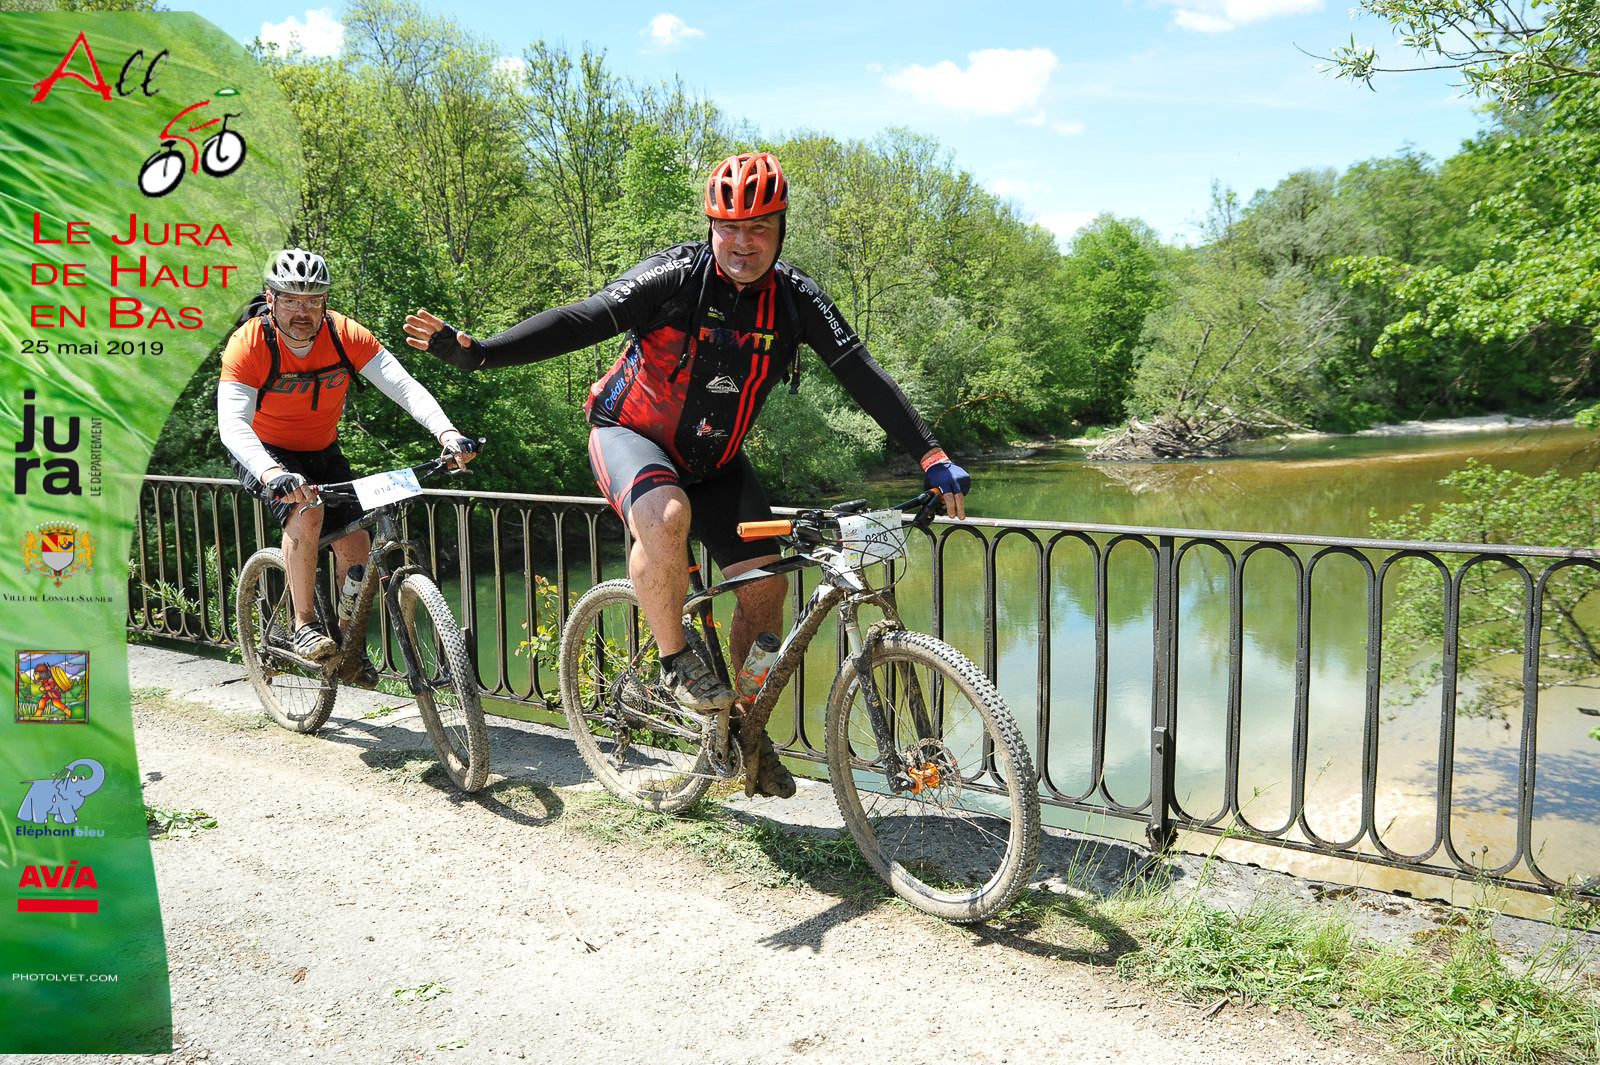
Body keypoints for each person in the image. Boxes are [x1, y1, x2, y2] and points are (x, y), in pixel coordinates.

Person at [403, 152, 970, 796]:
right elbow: (583, 319)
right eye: (729, 227)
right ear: (711, 227)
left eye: (759, 228)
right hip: (631, 436)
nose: (742, 242)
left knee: (766, 590)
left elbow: (859, 371)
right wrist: (482, 354)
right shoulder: (676, 277)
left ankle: (744, 728)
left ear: (781, 230)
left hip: (717, 463)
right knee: (665, 517)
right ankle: (676, 660)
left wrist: (930, 454)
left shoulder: (797, 299)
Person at [218, 249, 478, 674]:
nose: (301, 311)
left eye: (312, 300)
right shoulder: (249, 343)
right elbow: (232, 423)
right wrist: (272, 472)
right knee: (307, 511)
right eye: (290, 300)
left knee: (357, 543)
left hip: (322, 448)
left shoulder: (345, 335)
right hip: (263, 451)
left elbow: (403, 386)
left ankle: (346, 647)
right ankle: (303, 624)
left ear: (325, 300)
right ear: (271, 300)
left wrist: (447, 434)